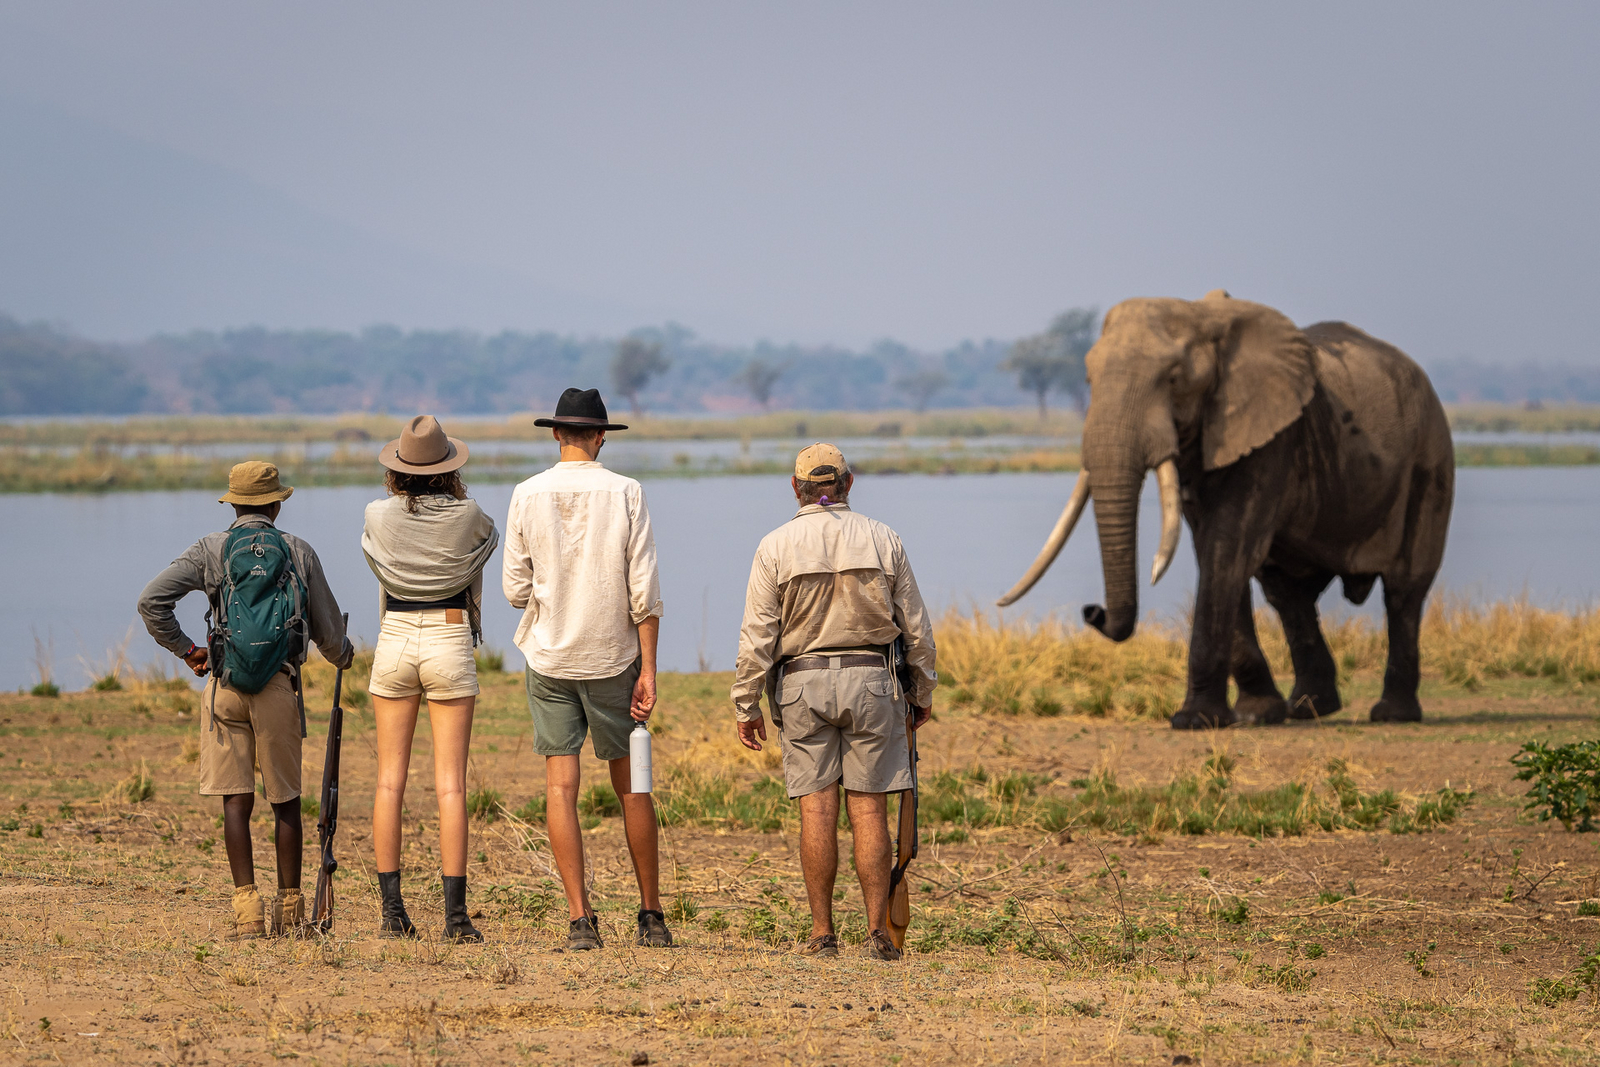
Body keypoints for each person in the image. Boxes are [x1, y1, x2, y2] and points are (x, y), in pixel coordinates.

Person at [732, 443, 937, 961]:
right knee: (868, 810)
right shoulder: (883, 538)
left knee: (817, 809)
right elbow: (916, 628)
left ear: (795, 488)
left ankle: (822, 933)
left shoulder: (774, 545)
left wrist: (746, 703)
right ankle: (876, 934)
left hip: (802, 685)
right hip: (873, 683)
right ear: (848, 483)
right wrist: (922, 690)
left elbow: (757, 635)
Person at [138, 461, 353, 941]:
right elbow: (328, 635)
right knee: (286, 801)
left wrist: (188, 650)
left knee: (236, 801)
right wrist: (345, 656)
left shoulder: (210, 549)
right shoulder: (298, 550)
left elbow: (151, 602)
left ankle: (248, 915)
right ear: (276, 504)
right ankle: (291, 913)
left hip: (225, 687)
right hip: (278, 686)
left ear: (233, 504)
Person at [502, 387, 671, 951]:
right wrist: (649, 670)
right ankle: (651, 915)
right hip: (613, 657)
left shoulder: (526, 493)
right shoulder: (627, 491)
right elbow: (644, 591)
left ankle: (580, 919)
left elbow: (514, 589)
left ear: (556, 433)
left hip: (550, 657)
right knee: (633, 786)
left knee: (560, 786)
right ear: (600, 436)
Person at [361, 415, 500, 943]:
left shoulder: (377, 513)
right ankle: (456, 919)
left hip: (395, 635)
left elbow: (374, 556)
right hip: (449, 632)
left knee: (388, 782)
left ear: (397, 469)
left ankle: (392, 914)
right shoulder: (468, 514)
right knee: (451, 785)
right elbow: (488, 540)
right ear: (448, 469)